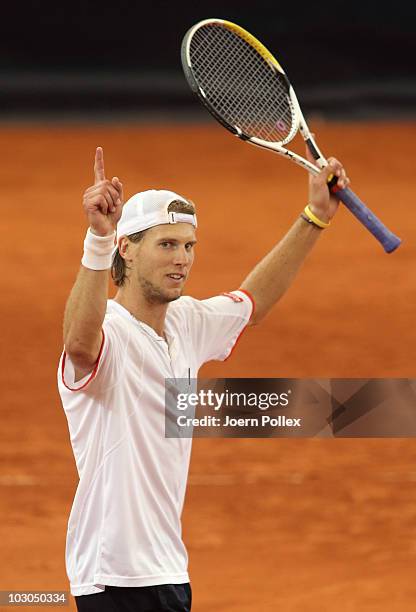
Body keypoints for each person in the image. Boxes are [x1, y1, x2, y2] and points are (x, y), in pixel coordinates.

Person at [58, 146, 349, 611]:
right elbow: (78, 344)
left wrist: (315, 215)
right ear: (126, 249)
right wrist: (96, 238)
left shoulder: (186, 322)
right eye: (167, 244)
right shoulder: (107, 332)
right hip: (114, 575)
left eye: (189, 245)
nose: (182, 259)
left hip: (169, 569)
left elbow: (253, 301)